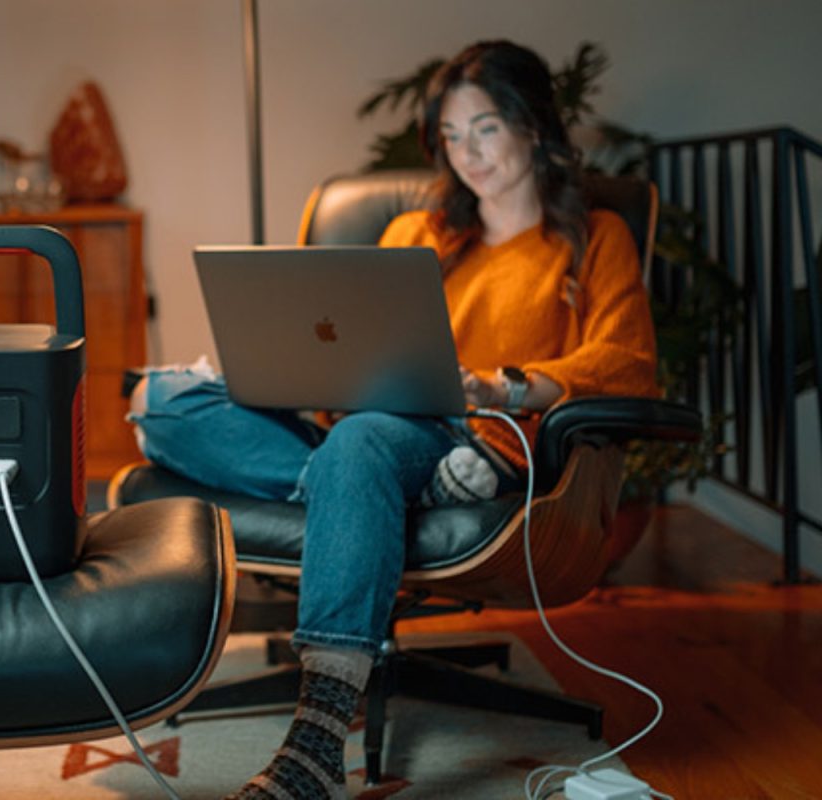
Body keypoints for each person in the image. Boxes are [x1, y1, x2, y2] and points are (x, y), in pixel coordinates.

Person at [127, 40, 659, 799]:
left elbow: (627, 362)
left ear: (534, 126)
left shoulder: (592, 240)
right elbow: (349, 345)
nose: (466, 153)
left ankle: (315, 741)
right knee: (168, 404)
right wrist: (261, 370)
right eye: (450, 135)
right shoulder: (416, 236)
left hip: (463, 431)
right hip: (365, 426)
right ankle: (387, 488)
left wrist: (506, 391)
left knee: (366, 440)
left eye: (484, 128)